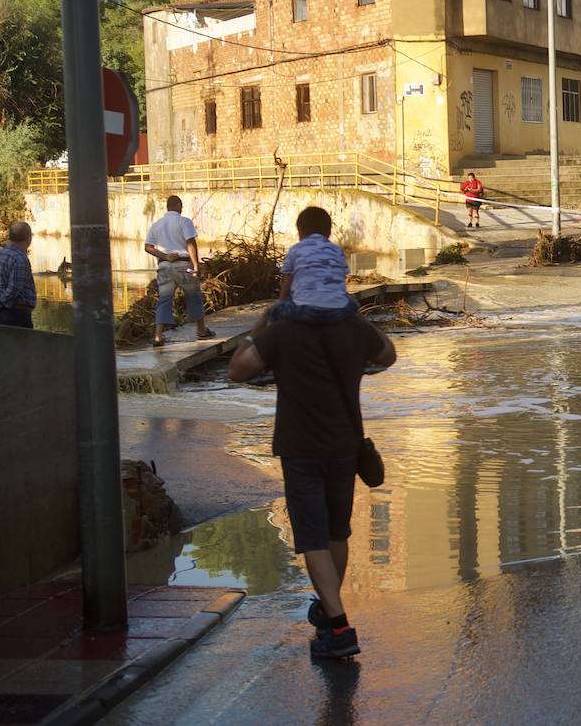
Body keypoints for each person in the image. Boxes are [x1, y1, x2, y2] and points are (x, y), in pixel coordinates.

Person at [227, 305, 397, 659]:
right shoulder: (353, 327)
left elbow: (238, 370)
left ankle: (338, 627)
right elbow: (388, 354)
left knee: (312, 537)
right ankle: (326, 609)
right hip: (345, 445)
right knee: (337, 532)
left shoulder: (281, 331)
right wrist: (354, 315)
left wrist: (259, 325)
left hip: (300, 447)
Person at [269, 206, 358, 324]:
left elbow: (287, 284)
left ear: (299, 232)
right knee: (354, 305)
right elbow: (341, 281)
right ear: (329, 232)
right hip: (337, 311)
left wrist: (281, 303)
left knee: (270, 312)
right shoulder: (337, 250)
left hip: (304, 310)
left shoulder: (295, 250)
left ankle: (250, 341)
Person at [144, 195, 211, 346]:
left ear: (167, 207)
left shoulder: (157, 225)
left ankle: (158, 336)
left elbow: (148, 247)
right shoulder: (184, 221)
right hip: (183, 265)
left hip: (165, 266)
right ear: (179, 205)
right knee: (194, 296)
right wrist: (196, 266)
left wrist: (165, 256)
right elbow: (191, 243)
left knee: (164, 300)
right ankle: (201, 330)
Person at [0, 221, 37, 328]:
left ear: (9, 237)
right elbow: (13, 288)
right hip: (15, 316)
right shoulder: (20, 259)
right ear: (29, 239)